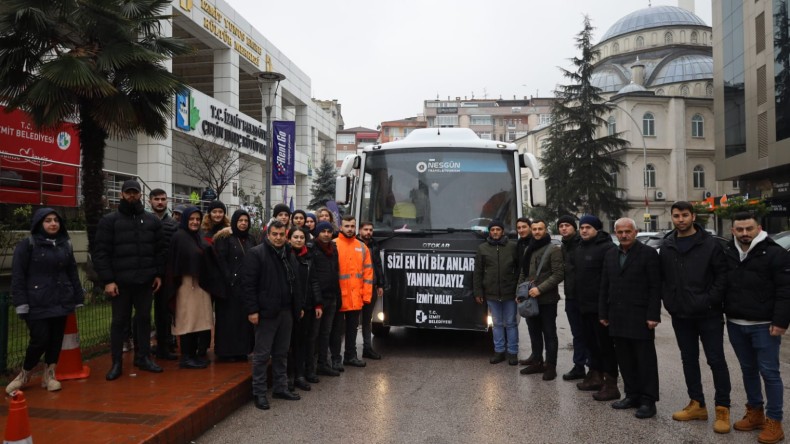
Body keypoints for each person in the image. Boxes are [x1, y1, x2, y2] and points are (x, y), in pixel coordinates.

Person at [660, 201, 731, 433]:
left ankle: (723, 409)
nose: (680, 219)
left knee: (716, 360)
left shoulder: (709, 244)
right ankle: (697, 404)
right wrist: (670, 302)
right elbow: (663, 278)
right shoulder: (668, 244)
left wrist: (709, 300)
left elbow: (722, 276)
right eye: (676, 215)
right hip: (681, 314)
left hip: (708, 314)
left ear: (693, 217)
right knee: (688, 360)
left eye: (684, 215)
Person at [723, 212, 790, 443]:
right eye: (739, 229)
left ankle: (774, 422)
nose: (744, 233)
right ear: (733, 230)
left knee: (770, 373)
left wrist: (781, 321)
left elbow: (785, 290)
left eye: (748, 229)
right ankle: (755, 413)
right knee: (748, 370)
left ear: (758, 228)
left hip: (764, 326)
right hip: (735, 323)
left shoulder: (775, 253)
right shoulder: (728, 252)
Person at [6, 208, 84, 394]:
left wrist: (77, 296)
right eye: (48, 220)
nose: (53, 223)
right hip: (37, 302)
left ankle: (49, 374)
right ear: (39, 223)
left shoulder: (65, 244)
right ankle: (25, 374)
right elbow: (18, 276)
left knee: (56, 340)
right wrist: (21, 303)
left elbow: (72, 271)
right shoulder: (27, 245)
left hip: (61, 300)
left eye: (56, 220)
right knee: (40, 339)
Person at [94, 179, 165, 381]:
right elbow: (101, 253)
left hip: (145, 282)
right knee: (119, 323)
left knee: (144, 320)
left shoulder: (152, 221)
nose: (132, 195)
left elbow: (160, 251)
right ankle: (116, 362)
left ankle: (143, 357)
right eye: (128, 192)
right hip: (120, 283)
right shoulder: (109, 221)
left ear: (141, 195)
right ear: (122, 195)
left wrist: (158, 274)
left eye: (135, 192)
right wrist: (108, 280)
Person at [600, 218, 661, 419]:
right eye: (620, 232)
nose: (624, 235)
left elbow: (655, 287)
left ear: (635, 232)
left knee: (645, 361)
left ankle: (648, 400)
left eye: (628, 231)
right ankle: (631, 395)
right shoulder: (610, 254)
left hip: (640, 316)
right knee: (624, 359)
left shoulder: (648, 254)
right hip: (617, 316)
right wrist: (603, 313)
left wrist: (653, 315)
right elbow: (604, 286)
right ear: (615, 233)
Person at [241, 221, 302, 410]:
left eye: (281, 234)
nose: (278, 237)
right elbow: (248, 286)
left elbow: (295, 282)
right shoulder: (256, 254)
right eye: (274, 234)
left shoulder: (288, 253)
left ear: (286, 235)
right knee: (261, 355)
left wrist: (297, 306)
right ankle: (259, 393)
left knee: (281, 353)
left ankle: (280, 387)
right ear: (268, 235)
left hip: (286, 311)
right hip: (266, 313)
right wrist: (252, 310)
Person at [573, 215, 619, 401]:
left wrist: (606, 307)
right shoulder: (580, 247)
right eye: (582, 227)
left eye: (588, 227)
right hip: (584, 306)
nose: (584, 230)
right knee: (591, 344)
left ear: (597, 229)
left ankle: (611, 384)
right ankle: (595, 376)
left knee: (605, 347)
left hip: (601, 308)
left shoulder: (607, 248)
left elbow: (609, 280)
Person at [166, 207, 214, 369]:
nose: (195, 222)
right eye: (191, 219)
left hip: (198, 285)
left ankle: (193, 355)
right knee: (187, 321)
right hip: (186, 285)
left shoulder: (196, 236)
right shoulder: (180, 237)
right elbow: (178, 262)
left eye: (197, 219)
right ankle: (186, 357)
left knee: (197, 322)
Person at [518, 219, 564, 380]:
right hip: (530, 300)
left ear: (545, 230)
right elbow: (523, 274)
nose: (537, 232)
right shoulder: (529, 249)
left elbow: (558, 274)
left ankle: (551, 366)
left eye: (540, 229)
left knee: (549, 333)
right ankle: (537, 361)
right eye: (535, 229)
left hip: (547, 300)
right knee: (534, 332)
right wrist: (520, 294)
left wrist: (540, 289)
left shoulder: (553, 250)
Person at [213, 209, 257, 362]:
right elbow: (221, 260)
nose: (243, 224)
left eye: (246, 221)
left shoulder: (251, 239)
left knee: (243, 322)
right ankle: (226, 352)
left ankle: (242, 350)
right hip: (229, 287)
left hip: (246, 286)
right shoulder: (225, 238)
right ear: (234, 222)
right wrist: (229, 278)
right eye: (240, 221)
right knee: (228, 320)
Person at [473, 219, 519, 365]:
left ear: (503, 231)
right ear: (489, 232)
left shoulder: (513, 247)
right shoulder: (483, 248)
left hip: (510, 292)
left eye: (498, 229)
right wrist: (478, 291)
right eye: (492, 230)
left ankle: (512, 353)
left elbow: (519, 270)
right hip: (491, 293)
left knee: (511, 323)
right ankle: (499, 351)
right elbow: (478, 272)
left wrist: (518, 289)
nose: (495, 232)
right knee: (497, 323)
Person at [332, 215, 373, 369]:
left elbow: (368, 274)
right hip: (338, 297)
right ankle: (336, 359)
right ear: (341, 227)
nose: (350, 229)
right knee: (336, 331)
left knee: (352, 330)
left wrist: (366, 296)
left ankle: (351, 356)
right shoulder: (333, 244)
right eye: (347, 226)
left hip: (355, 297)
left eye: (352, 226)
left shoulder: (362, 247)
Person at [289, 227, 322, 391]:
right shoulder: (285, 256)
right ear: (290, 239)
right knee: (288, 344)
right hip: (289, 308)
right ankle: (289, 377)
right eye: (295, 236)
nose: (298, 239)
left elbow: (314, 281)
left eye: (302, 237)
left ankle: (300, 375)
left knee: (303, 342)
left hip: (307, 306)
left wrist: (317, 303)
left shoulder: (309, 257)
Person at [556, 215, 588, 381]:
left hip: (586, 297)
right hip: (571, 297)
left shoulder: (582, 243)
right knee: (577, 334)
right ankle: (579, 366)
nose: (563, 228)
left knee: (589, 334)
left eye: (567, 225)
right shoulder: (564, 246)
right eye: (561, 226)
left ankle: (594, 369)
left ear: (574, 228)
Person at [148, 188, 178, 361]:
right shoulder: (143, 221)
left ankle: (164, 346)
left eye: (163, 199)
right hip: (146, 274)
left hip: (166, 276)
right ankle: (141, 347)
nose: (160, 202)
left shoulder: (174, 225)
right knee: (142, 314)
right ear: (150, 201)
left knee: (164, 312)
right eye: (156, 199)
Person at [311, 221, 342, 376]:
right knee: (314, 334)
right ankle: (311, 367)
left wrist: (337, 296)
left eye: (329, 231)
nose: (326, 234)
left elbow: (335, 273)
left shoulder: (333, 249)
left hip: (332, 297)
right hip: (319, 299)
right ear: (318, 232)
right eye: (323, 231)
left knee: (326, 333)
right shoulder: (312, 248)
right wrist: (317, 301)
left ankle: (323, 363)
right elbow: (313, 277)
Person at [514, 217, 540, 367]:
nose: (521, 230)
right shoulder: (519, 244)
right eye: (519, 227)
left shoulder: (535, 243)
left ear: (530, 227)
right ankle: (535, 356)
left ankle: (546, 362)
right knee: (532, 326)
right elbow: (520, 269)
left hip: (536, 289)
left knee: (545, 329)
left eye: (524, 227)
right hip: (525, 289)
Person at [358, 221, 384, 360]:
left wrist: (380, 284)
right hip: (355, 288)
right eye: (366, 229)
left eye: (370, 230)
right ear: (360, 230)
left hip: (371, 287)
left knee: (367, 320)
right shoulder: (354, 243)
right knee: (353, 322)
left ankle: (367, 348)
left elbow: (378, 265)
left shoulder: (374, 244)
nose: (368, 232)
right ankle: (350, 352)